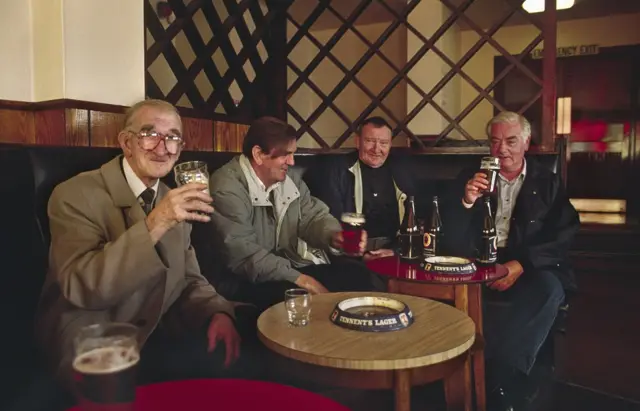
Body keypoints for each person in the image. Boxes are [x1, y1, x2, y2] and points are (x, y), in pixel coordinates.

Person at [35, 99, 257, 394]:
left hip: (156, 328)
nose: (163, 147)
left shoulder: (172, 196)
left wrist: (217, 312)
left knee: (243, 357)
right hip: (92, 334)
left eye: (173, 137)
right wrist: (157, 221)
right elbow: (83, 287)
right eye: (150, 134)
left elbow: (189, 279)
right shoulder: (75, 195)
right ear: (126, 143)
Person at [442, 112, 580, 411]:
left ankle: (498, 374)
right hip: (477, 261)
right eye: (494, 142)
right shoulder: (471, 175)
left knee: (549, 289)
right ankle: (483, 377)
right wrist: (466, 201)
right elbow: (447, 239)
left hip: (525, 261)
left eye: (511, 141)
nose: (501, 149)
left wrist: (522, 264)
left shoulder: (547, 180)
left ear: (526, 143)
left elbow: (564, 235)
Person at [209, 116, 387, 311]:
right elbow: (244, 255)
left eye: (293, 154)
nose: (292, 161)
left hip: (284, 268)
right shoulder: (227, 186)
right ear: (258, 154)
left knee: (357, 275)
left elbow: (312, 216)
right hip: (241, 279)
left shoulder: (288, 179)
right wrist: (303, 280)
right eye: (286, 154)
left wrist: (335, 236)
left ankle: (357, 338)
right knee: (296, 296)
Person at [313, 116, 415, 260]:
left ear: (390, 145)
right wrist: (359, 254)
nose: (376, 149)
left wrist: (394, 251)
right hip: (349, 255)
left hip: (393, 252)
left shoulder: (401, 171)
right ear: (357, 142)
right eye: (370, 141)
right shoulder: (338, 169)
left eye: (383, 143)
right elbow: (330, 222)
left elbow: (415, 220)